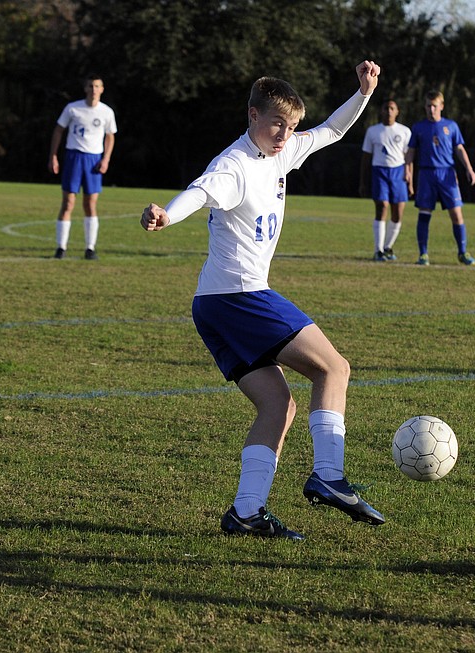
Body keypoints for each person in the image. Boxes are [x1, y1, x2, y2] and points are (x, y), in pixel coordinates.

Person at [140, 61, 385, 541]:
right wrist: (167, 214)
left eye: (291, 126)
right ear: (252, 115)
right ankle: (329, 476)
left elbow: (331, 132)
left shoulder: (281, 151)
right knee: (334, 369)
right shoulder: (234, 165)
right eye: (277, 123)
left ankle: (246, 512)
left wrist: (363, 93)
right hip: (239, 297)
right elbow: (201, 192)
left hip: (215, 303)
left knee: (279, 406)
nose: (284, 134)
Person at [404, 90, 475, 266]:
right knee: (424, 214)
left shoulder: (451, 126)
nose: (431, 109)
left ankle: (462, 252)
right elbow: (411, 152)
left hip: (447, 174)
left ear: (441, 106)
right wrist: (408, 171)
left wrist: (469, 169)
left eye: (434, 106)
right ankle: (423, 254)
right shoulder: (418, 128)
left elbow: (459, 148)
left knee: (457, 215)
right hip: (426, 174)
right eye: (428, 106)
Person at [48, 74, 117, 260]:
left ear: (102, 89)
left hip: (94, 160)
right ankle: (61, 247)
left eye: (97, 86)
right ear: (85, 88)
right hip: (74, 157)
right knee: (68, 203)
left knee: (90, 204)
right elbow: (58, 129)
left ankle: (90, 248)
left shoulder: (106, 112)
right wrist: (53, 156)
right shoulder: (73, 108)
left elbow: (110, 135)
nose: (93, 89)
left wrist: (106, 159)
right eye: (90, 86)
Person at [359, 99, 413, 261]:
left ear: (397, 112)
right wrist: (362, 181)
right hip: (379, 172)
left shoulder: (404, 131)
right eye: (386, 108)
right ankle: (378, 250)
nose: (389, 111)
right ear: (381, 111)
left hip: (399, 172)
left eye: (392, 108)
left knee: (397, 213)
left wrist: (410, 179)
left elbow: (408, 157)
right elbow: (366, 157)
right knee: (382, 206)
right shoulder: (373, 131)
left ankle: (388, 248)